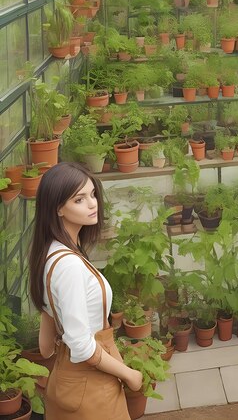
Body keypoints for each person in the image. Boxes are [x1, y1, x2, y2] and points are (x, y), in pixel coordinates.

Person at [28, 162, 142, 419]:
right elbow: (80, 345)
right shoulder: (68, 264)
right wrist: (130, 375)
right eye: (79, 199)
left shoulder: (50, 253)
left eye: (92, 195)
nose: (92, 204)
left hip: (67, 377)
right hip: (92, 382)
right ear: (58, 208)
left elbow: (45, 347)